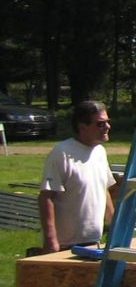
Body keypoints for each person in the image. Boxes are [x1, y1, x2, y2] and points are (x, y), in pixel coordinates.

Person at [37, 100, 119, 254]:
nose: (107, 127)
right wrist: (50, 240)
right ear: (83, 126)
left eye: (108, 122)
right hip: (65, 245)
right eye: (100, 124)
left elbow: (103, 190)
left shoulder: (100, 152)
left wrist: (115, 227)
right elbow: (46, 197)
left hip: (94, 242)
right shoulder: (61, 153)